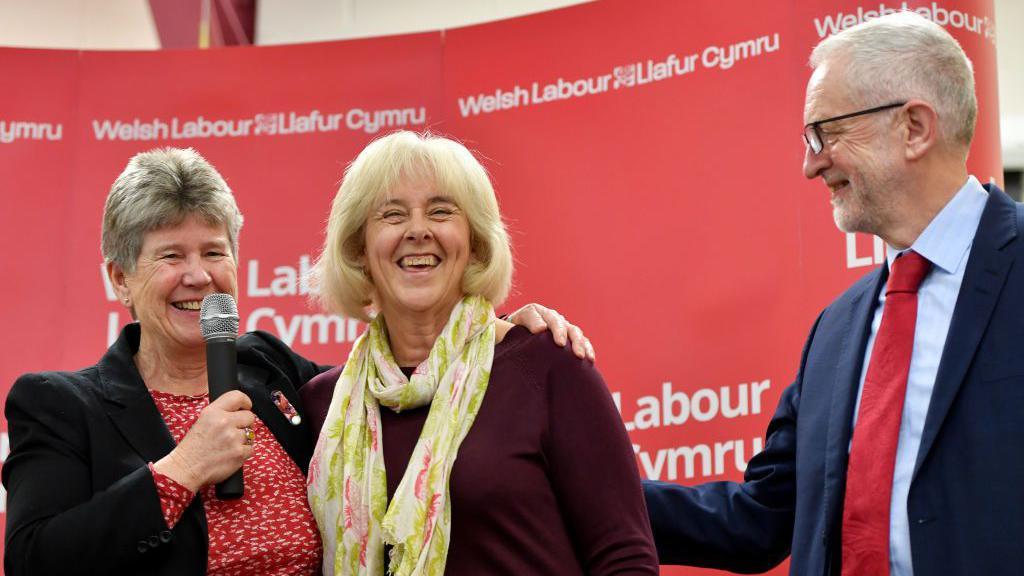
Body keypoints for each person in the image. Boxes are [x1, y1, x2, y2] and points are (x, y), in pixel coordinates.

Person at [2, 147, 586, 575]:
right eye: (170, 255)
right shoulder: (60, 405)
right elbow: (32, 560)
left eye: (214, 252)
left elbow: (429, 430)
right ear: (120, 279)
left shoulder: (275, 371)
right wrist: (178, 472)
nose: (198, 276)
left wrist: (491, 337)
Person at [643, 11, 1023, 576]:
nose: (809, 164)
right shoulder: (837, 329)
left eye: (827, 132)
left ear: (914, 128)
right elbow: (760, 518)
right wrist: (570, 486)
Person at [302, 130, 657, 575]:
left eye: (440, 211)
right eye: (392, 215)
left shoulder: (547, 366)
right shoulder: (322, 405)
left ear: (475, 242)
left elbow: (625, 558)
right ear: (359, 249)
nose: (418, 231)